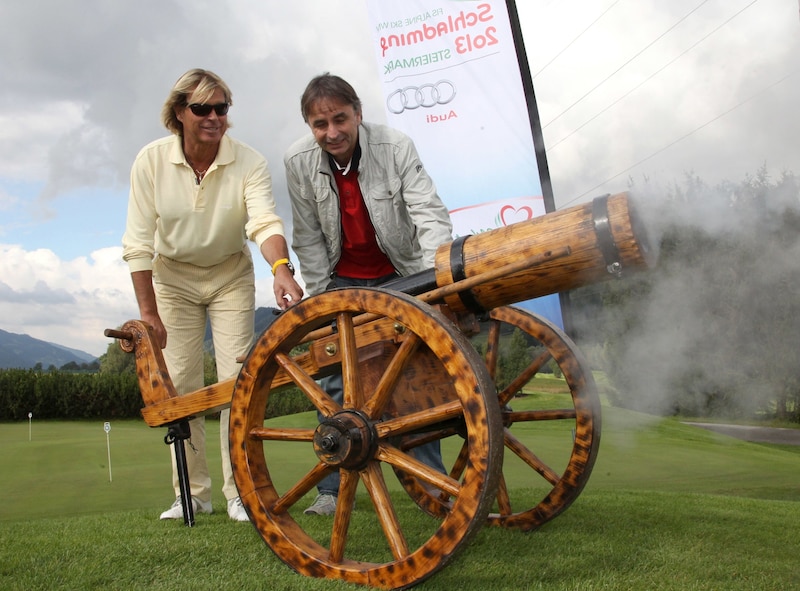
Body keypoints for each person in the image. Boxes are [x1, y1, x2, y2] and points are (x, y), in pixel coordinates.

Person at [122, 68, 303, 522]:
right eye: (201, 108)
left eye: (221, 108)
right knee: (181, 387)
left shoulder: (249, 161)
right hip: (173, 281)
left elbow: (264, 222)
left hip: (229, 275)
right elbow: (138, 243)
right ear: (179, 113)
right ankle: (192, 494)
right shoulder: (150, 160)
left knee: (236, 383)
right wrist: (149, 314)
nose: (213, 117)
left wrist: (281, 269)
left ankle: (240, 493)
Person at [284, 73, 453, 515]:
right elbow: (307, 238)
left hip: (401, 275)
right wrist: (322, 306)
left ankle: (428, 485)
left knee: (415, 379)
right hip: (341, 282)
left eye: (340, 119)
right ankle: (331, 492)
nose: (332, 132)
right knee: (336, 380)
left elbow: (428, 212)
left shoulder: (395, 147)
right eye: (320, 124)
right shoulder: (297, 161)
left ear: (358, 114)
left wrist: (430, 284)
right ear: (309, 126)